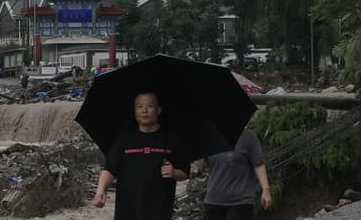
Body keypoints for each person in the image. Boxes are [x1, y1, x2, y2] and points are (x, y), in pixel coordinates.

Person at [93, 91, 190, 220]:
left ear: (158, 110)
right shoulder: (125, 136)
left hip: (160, 211)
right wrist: (100, 190)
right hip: (127, 211)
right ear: (134, 111)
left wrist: (173, 172)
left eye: (149, 106)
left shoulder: (170, 138)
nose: (144, 110)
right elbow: (110, 168)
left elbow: (185, 172)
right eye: (139, 106)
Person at [197, 128, 272, 219]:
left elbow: (258, 164)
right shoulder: (210, 137)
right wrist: (197, 148)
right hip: (213, 201)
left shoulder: (247, 136)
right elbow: (199, 168)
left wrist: (266, 189)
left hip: (240, 201)